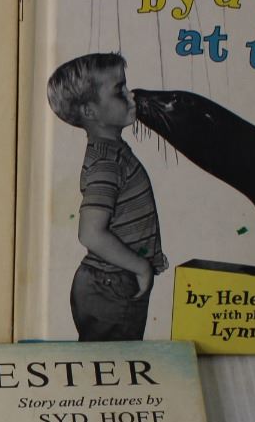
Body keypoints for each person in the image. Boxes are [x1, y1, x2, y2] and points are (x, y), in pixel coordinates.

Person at [45, 53, 168, 340]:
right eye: (119, 91)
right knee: (117, 360)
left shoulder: (111, 152)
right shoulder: (107, 163)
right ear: (90, 111)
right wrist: (141, 266)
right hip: (112, 285)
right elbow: (90, 233)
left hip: (108, 282)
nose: (131, 95)